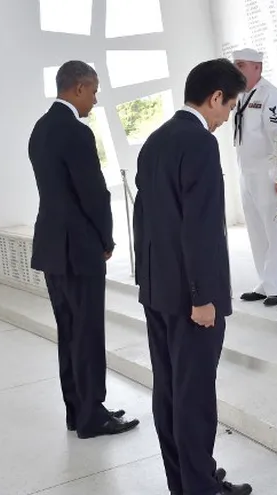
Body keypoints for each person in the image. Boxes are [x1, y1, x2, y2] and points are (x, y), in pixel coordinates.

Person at [133, 58, 252, 495]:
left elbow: (143, 220)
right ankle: (202, 489)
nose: (226, 117)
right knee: (195, 397)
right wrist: (204, 298)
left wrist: (146, 281)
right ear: (215, 97)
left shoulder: (154, 140)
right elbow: (199, 228)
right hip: (191, 297)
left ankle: (185, 482)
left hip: (157, 290)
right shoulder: (200, 144)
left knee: (168, 391)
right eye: (228, 106)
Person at [28, 60, 140, 438]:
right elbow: (93, 193)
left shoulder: (40, 129)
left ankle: (79, 409)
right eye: (92, 91)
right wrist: (106, 240)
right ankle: (93, 416)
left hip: (51, 246)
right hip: (79, 248)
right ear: (77, 88)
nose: (94, 99)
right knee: (88, 333)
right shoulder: (75, 131)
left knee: (69, 331)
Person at [232, 48, 277, 307]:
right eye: (235, 64)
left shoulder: (271, 96)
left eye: (241, 65)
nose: (237, 69)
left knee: (274, 229)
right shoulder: (240, 95)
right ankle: (264, 281)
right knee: (255, 228)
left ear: (257, 67)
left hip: (268, 173)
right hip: (247, 171)